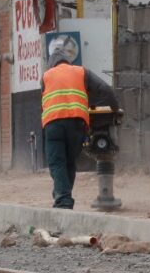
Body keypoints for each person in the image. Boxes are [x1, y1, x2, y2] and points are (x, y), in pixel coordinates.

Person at [41, 38, 118, 209]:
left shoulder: (46, 76)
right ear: (67, 61)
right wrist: (114, 109)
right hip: (77, 124)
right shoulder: (81, 71)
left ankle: (63, 198)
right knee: (69, 161)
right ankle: (63, 195)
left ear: (51, 64)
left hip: (53, 124)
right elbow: (106, 90)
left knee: (57, 162)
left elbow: (44, 102)